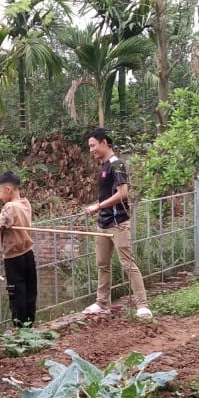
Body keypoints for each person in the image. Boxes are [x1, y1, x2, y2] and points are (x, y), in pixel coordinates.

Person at [83, 128, 152, 319]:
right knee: (102, 264)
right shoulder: (103, 166)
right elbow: (108, 195)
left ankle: (142, 305)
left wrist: (98, 206)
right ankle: (101, 302)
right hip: (103, 223)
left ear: (104, 142)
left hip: (118, 223)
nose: (91, 150)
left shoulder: (117, 164)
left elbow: (123, 194)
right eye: (90, 147)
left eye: (93, 145)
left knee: (128, 264)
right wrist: (98, 208)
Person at [0, 170, 37, 327]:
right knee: (30, 292)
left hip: (13, 258)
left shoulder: (10, 207)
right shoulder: (25, 203)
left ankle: (19, 328)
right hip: (28, 254)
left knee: (17, 294)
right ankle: (29, 325)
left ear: (8, 189)